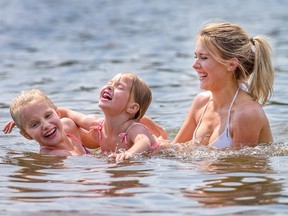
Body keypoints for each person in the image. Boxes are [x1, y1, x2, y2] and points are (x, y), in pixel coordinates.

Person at [173, 21, 274, 148]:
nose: (194, 65)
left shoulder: (247, 114)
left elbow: (236, 166)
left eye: (203, 58)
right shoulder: (201, 103)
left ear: (231, 64)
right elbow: (174, 150)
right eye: (196, 57)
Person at [59, 72, 166, 160]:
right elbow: (68, 113)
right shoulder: (97, 124)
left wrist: (129, 153)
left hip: (159, 151)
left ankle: (157, 131)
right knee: (65, 122)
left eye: (119, 87)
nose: (109, 87)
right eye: (109, 83)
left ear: (132, 108)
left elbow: (144, 142)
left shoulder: (133, 129)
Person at [3, 89, 92, 156]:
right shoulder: (53, 155)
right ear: (26, 135)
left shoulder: (68, 126)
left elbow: (98, 139)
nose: (45, 125)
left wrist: (26, 122)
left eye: (48, 116)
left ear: (57, 113)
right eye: (34, 124)